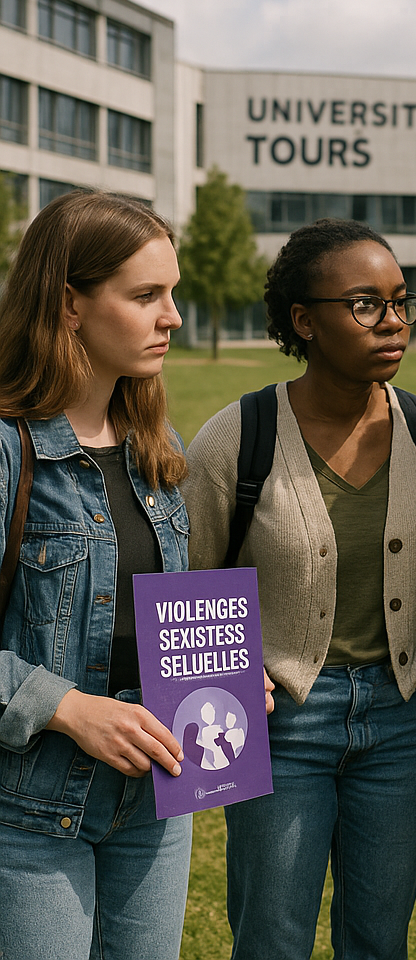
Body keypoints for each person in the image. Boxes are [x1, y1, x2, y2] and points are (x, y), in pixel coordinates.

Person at [183, 218, 416, 960]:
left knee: (380, 938)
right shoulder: (234, 438)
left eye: (403, 301)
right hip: (280, 729)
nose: (394, 321)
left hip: (402, 723)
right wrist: (233, 690)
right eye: (366, 304)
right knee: (272, 937)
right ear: (304, 321)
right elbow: (188, 589)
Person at [0, 191, 192, 960]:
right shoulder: (9, 450)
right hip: (29, 816)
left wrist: (227, 676)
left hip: (155, 810)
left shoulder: (157, 447)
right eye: (146, 296)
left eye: (171, 293)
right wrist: (67, 709)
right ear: (70, 304)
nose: (172, 316)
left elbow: (157, 621)